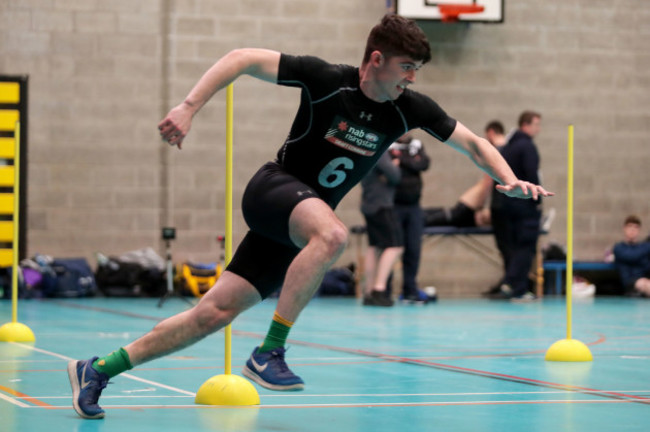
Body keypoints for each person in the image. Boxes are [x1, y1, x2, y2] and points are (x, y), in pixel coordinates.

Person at [67, 14, 553, 419]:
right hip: (273, 191)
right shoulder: (326, 80)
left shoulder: (409, 110)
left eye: (418, 70)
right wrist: (189, 106)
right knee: (333, 234)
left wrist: (507, 178)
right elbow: (241, 59)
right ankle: (268, 352)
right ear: (376, 60)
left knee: (210, 314)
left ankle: (97, 370)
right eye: (406, 67)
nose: (412, 78)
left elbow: (474, 142)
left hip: (299, 222)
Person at [489, 111, 544, 302]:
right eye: (536, 125)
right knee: (526, 247)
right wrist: (537, 200)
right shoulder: (527, 146)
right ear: (525, 125)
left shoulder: (509, 146)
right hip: (524, 206)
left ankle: (514, 285)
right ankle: (514, 284)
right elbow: (532, 175)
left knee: (514, 247)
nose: (538, 129)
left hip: (506, 205)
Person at [423, 120, 506, 228]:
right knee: (429, 215)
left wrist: (480, 208)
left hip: (468, 208)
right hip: (469, 207)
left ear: (490, 132)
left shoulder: (497, 152)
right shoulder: (507, 150)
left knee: (425, 218)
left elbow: (487, 184)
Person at [389, 132, 430, 303]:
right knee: (391, 249)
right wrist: (411, 163)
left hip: (414, 206)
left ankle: (409, 289)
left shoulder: (417, 144)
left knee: (413, 249)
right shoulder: (390, 145)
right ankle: (384, 288)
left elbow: (424, 164)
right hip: (394, 205)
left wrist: (402, 161)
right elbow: (390, 168)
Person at [360, 151, 403, 307]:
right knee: (395, 246)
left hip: (369, 203)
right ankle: (379, 289)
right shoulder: (381, 150)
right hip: (381, 205)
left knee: (374, 246)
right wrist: (395, 166)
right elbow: (395, 175)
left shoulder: (368, 150)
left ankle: (369, 291)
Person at [612, 215, 650, 297]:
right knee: (644, 283)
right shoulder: (619, 248)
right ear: (624, 228)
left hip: (646, 281)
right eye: (630, 226)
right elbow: (632, 256)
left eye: (636, 227)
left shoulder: (644, 246)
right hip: (630, 285)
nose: (632, 230)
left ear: (639, 230)